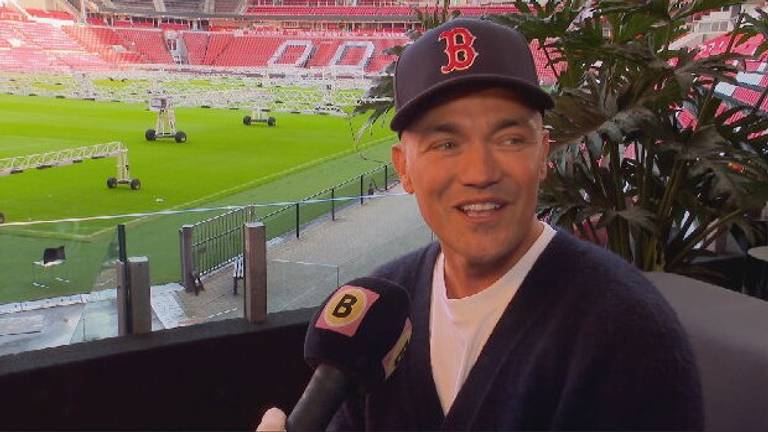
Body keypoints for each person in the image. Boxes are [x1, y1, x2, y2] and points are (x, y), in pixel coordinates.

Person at [258, 18, 703, 431]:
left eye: (509, 139)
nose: (480, 171)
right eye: (446, 143)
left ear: (543, 154)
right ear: (404, 169)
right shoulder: (377, 306)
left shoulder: (627, 334)